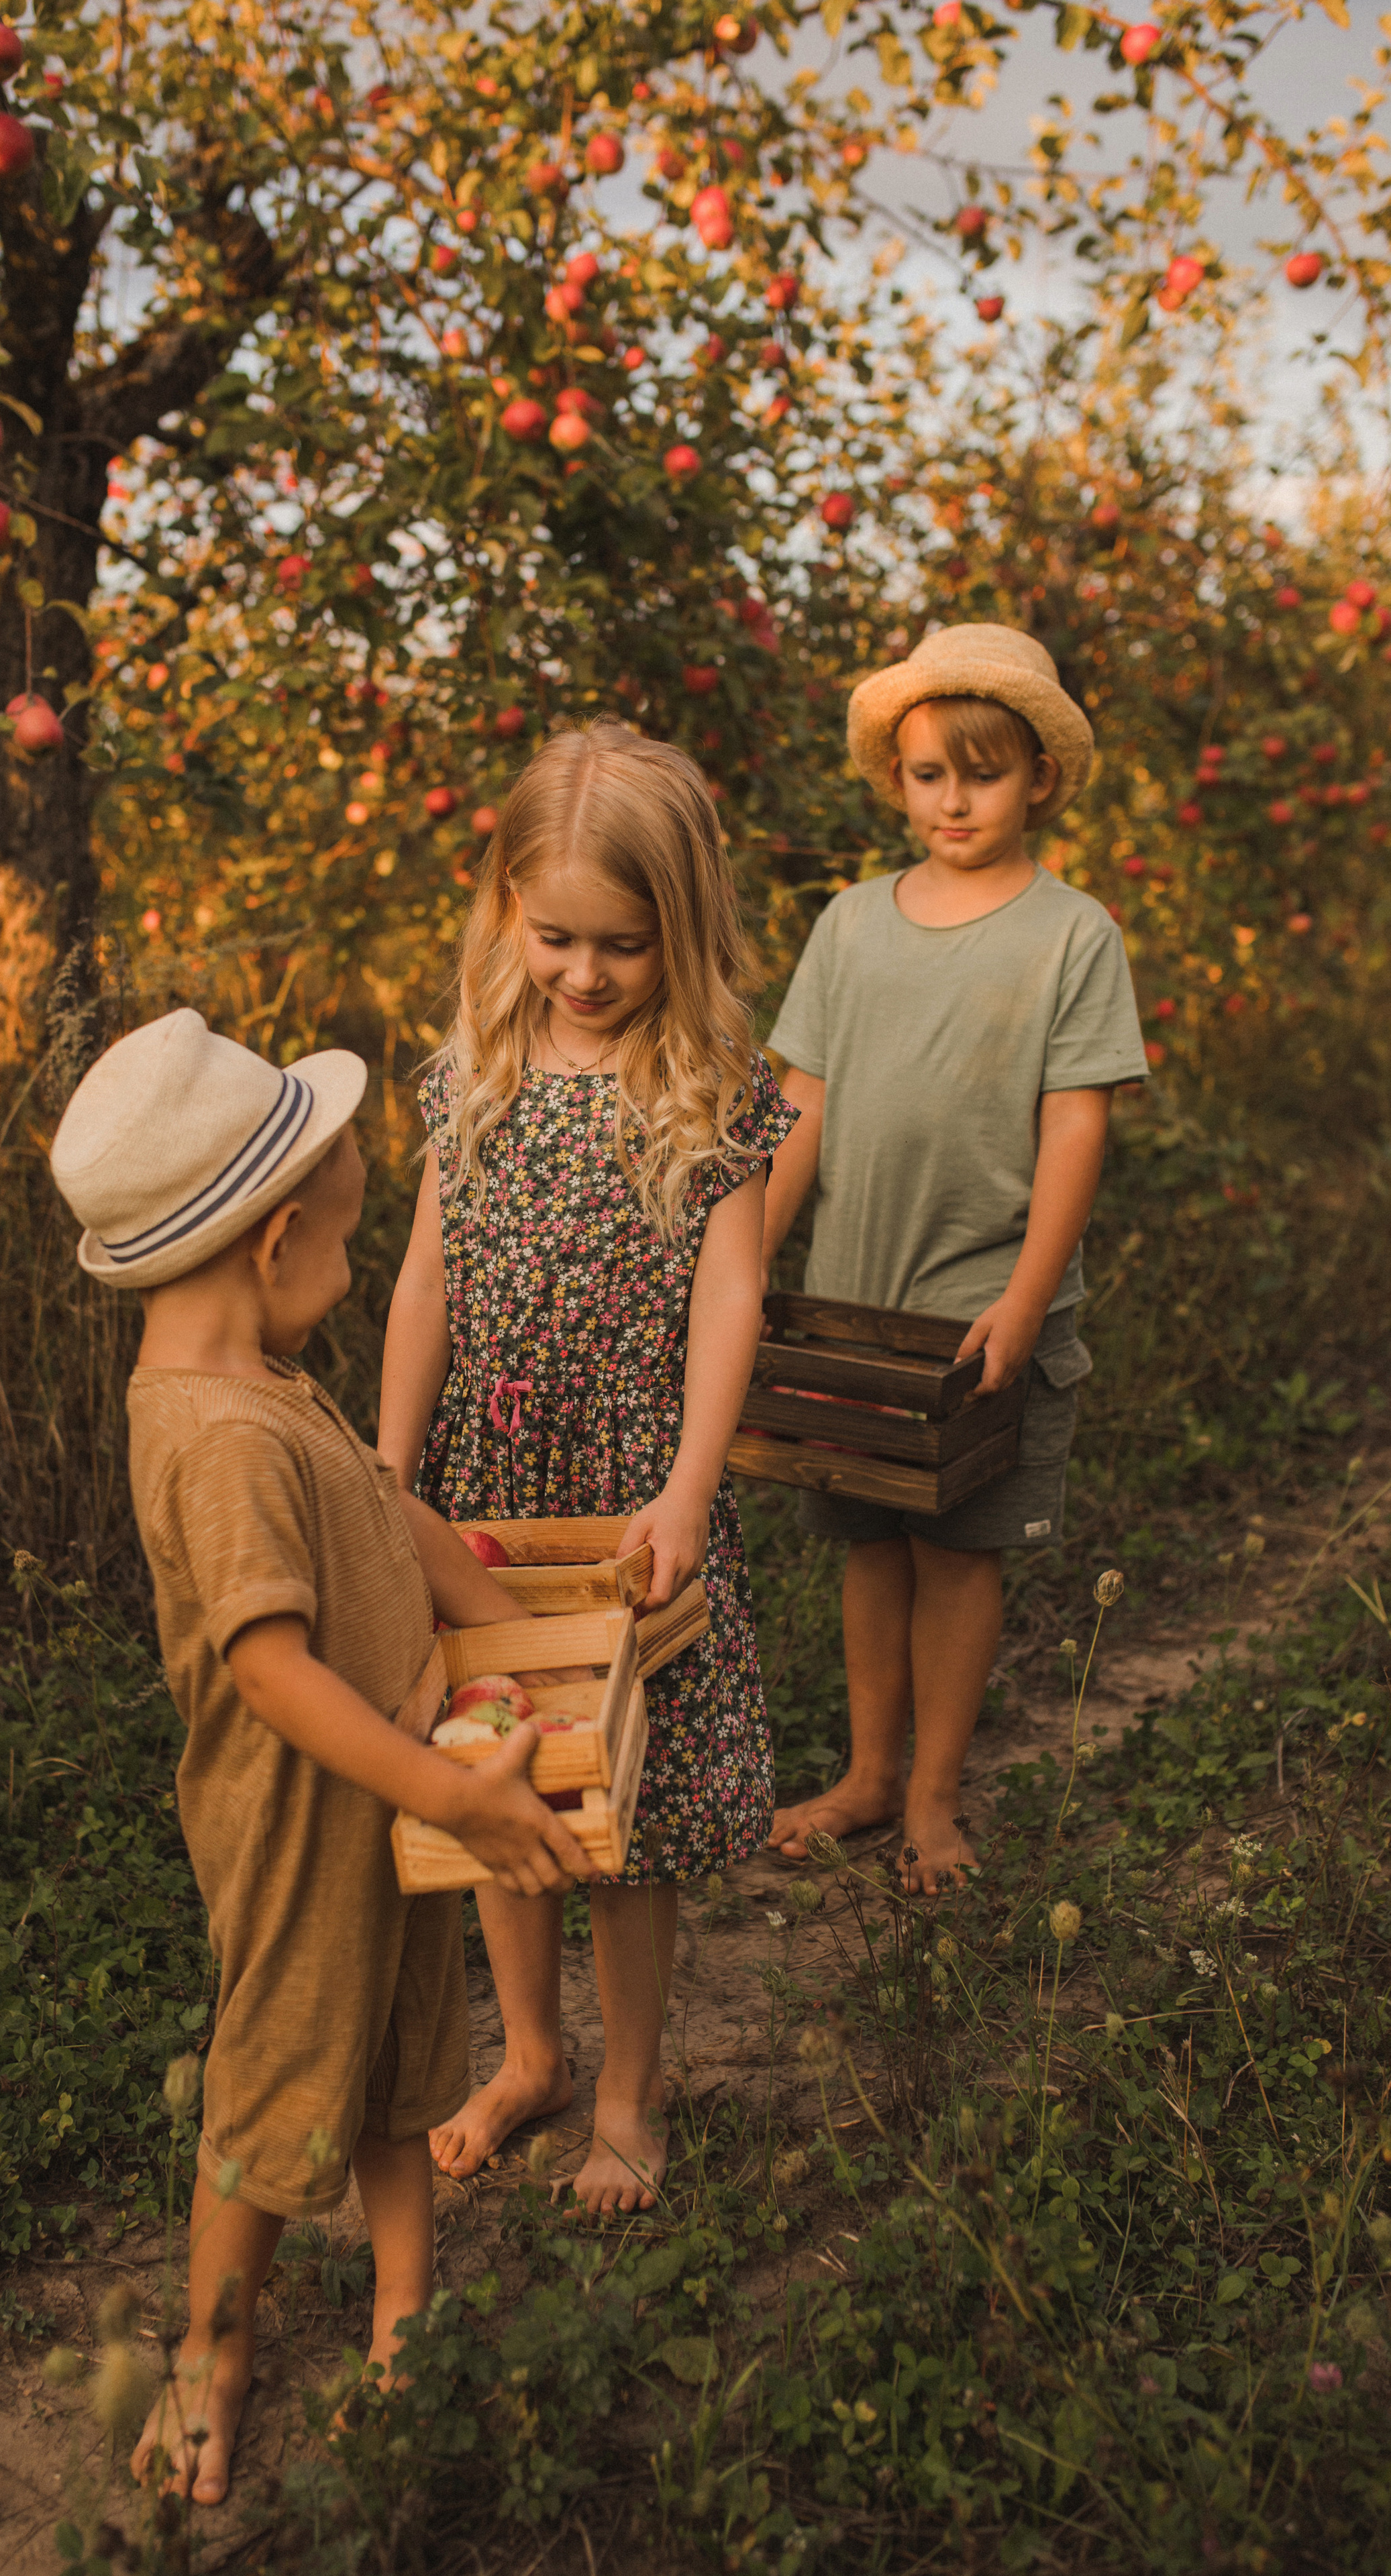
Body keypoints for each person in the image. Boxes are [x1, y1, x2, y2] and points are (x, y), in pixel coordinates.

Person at [48, 1010, 596, 2505]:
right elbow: (266, 1668)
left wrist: (523, 1636)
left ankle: (403, 2319)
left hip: (393, 1800)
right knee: (273, 2092)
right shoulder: (216, 1439)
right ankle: (208, 2354)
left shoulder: (267, 1388)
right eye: (351, 1247)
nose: (350, 1278)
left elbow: (378, 1498)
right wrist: (438, 1786)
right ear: (273, 1241)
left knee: (399, 2068)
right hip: (303, 1829)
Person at [378, 722, 796, 2216]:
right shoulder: (470, 1067)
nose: (583, 975)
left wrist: (687, 1486)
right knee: (497, 1770)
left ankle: (626, 2087)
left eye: (620, 944)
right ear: (504, 909)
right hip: (485, 1493)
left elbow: (730, 1291)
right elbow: (426, 1274)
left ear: (676, 927)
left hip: (627, 1494)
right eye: (551, 936)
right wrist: (387, 1464)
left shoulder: (711, 1080)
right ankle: (528, 2054)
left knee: (630, 1804)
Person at [760, 625, 1147, 1891]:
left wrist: (1028, 1298)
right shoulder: (853, 925)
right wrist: (745, 1264)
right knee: (868, 1542)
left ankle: (934, 1797)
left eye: (981, 773)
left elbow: (1075, 1124)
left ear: (1038, 775)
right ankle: (871, 1773)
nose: (954, 800)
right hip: (850, 1302)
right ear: (896, 779)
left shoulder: (1069, 933)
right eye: (928, 774)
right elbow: (803, 1105)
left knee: (955, 1549)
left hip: (977, 1301)